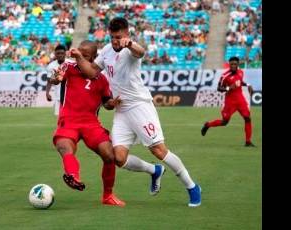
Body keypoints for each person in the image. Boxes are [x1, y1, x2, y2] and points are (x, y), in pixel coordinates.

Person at [69, 17, 201, 207]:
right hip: (122, 110)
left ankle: (192, 187)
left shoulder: (131, 49)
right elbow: (92, 72)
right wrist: (79, 58)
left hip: (140, 106)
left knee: (158, 149)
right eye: (112, 37)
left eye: (118, 37)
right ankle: (154, 171)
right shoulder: (106, 50)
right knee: (118, 158)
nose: (115, 41)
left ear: (127, 34)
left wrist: (129, 44)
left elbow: (141, 52)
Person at [50, 40, 125, 206]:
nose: (79, 57)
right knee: (64, 146)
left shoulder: (103, 80)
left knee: (109, 155)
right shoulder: (69, 68)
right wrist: (55, 78)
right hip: (68, 120)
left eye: (84, 55)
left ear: (94, 57)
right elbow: (56, 78)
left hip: (91, 123)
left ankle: (107, 196)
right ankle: (72, 175)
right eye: (78, 54)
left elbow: (106, 103)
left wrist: (111, 104)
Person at [201, 56, 255, 147]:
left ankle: (248, 141)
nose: (233, 65)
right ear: (229, 64)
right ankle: (207, 125)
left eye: (235, 64)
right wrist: (228, 88)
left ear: (238, 64)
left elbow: (239, 82)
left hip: (240, 99)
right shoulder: (225, 76)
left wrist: (248, 84)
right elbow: (219, 88)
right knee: (224, 122)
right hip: (230, 102)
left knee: (247, 118)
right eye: (231, 64)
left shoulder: (241, 72)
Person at [45, 44, 71, 116]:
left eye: (62, 53)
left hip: (70, 96)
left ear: (65, 54)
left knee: (71, 117)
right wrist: (47, 93)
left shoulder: (71, 64)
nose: (60, 55)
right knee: (60, 118)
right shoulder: (51, 66)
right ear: (55, 54)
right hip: (58, 96)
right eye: (58, 53)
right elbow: (49, 81)